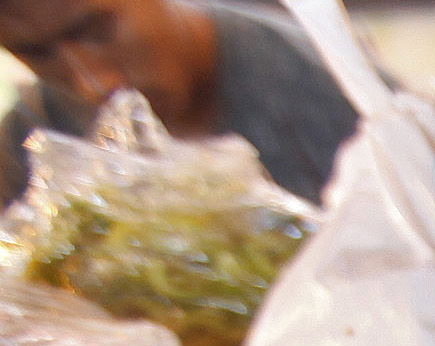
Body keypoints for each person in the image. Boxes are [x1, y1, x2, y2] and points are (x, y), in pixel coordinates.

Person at [0, 0, 358, 203]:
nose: (93, 84)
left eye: (97, 32)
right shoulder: (30, 144)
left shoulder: (343, 100)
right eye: (38, 54)